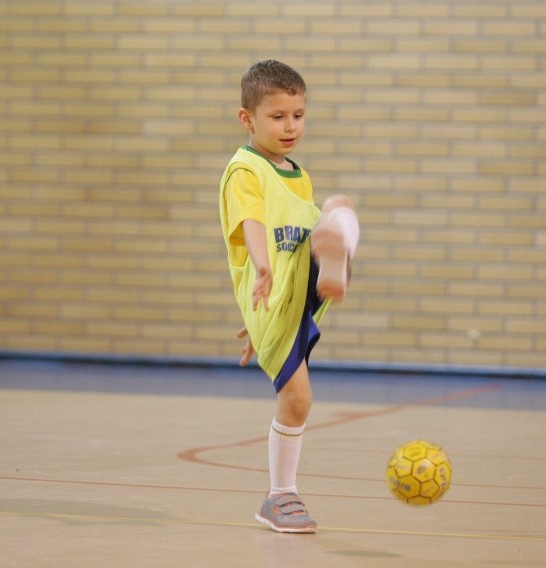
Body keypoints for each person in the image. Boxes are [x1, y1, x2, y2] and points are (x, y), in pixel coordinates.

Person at [218, 59, 359, 533]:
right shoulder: (245, 171)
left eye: (298, 115)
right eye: (277, 117)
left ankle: (331, 258)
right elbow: (252, 223)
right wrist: (261, 267)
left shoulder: (297, 173)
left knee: (337, 208)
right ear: (248, 119)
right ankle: (279, 497)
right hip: (275, 289)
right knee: (298, 399)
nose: (290, 126)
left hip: (299, 284)